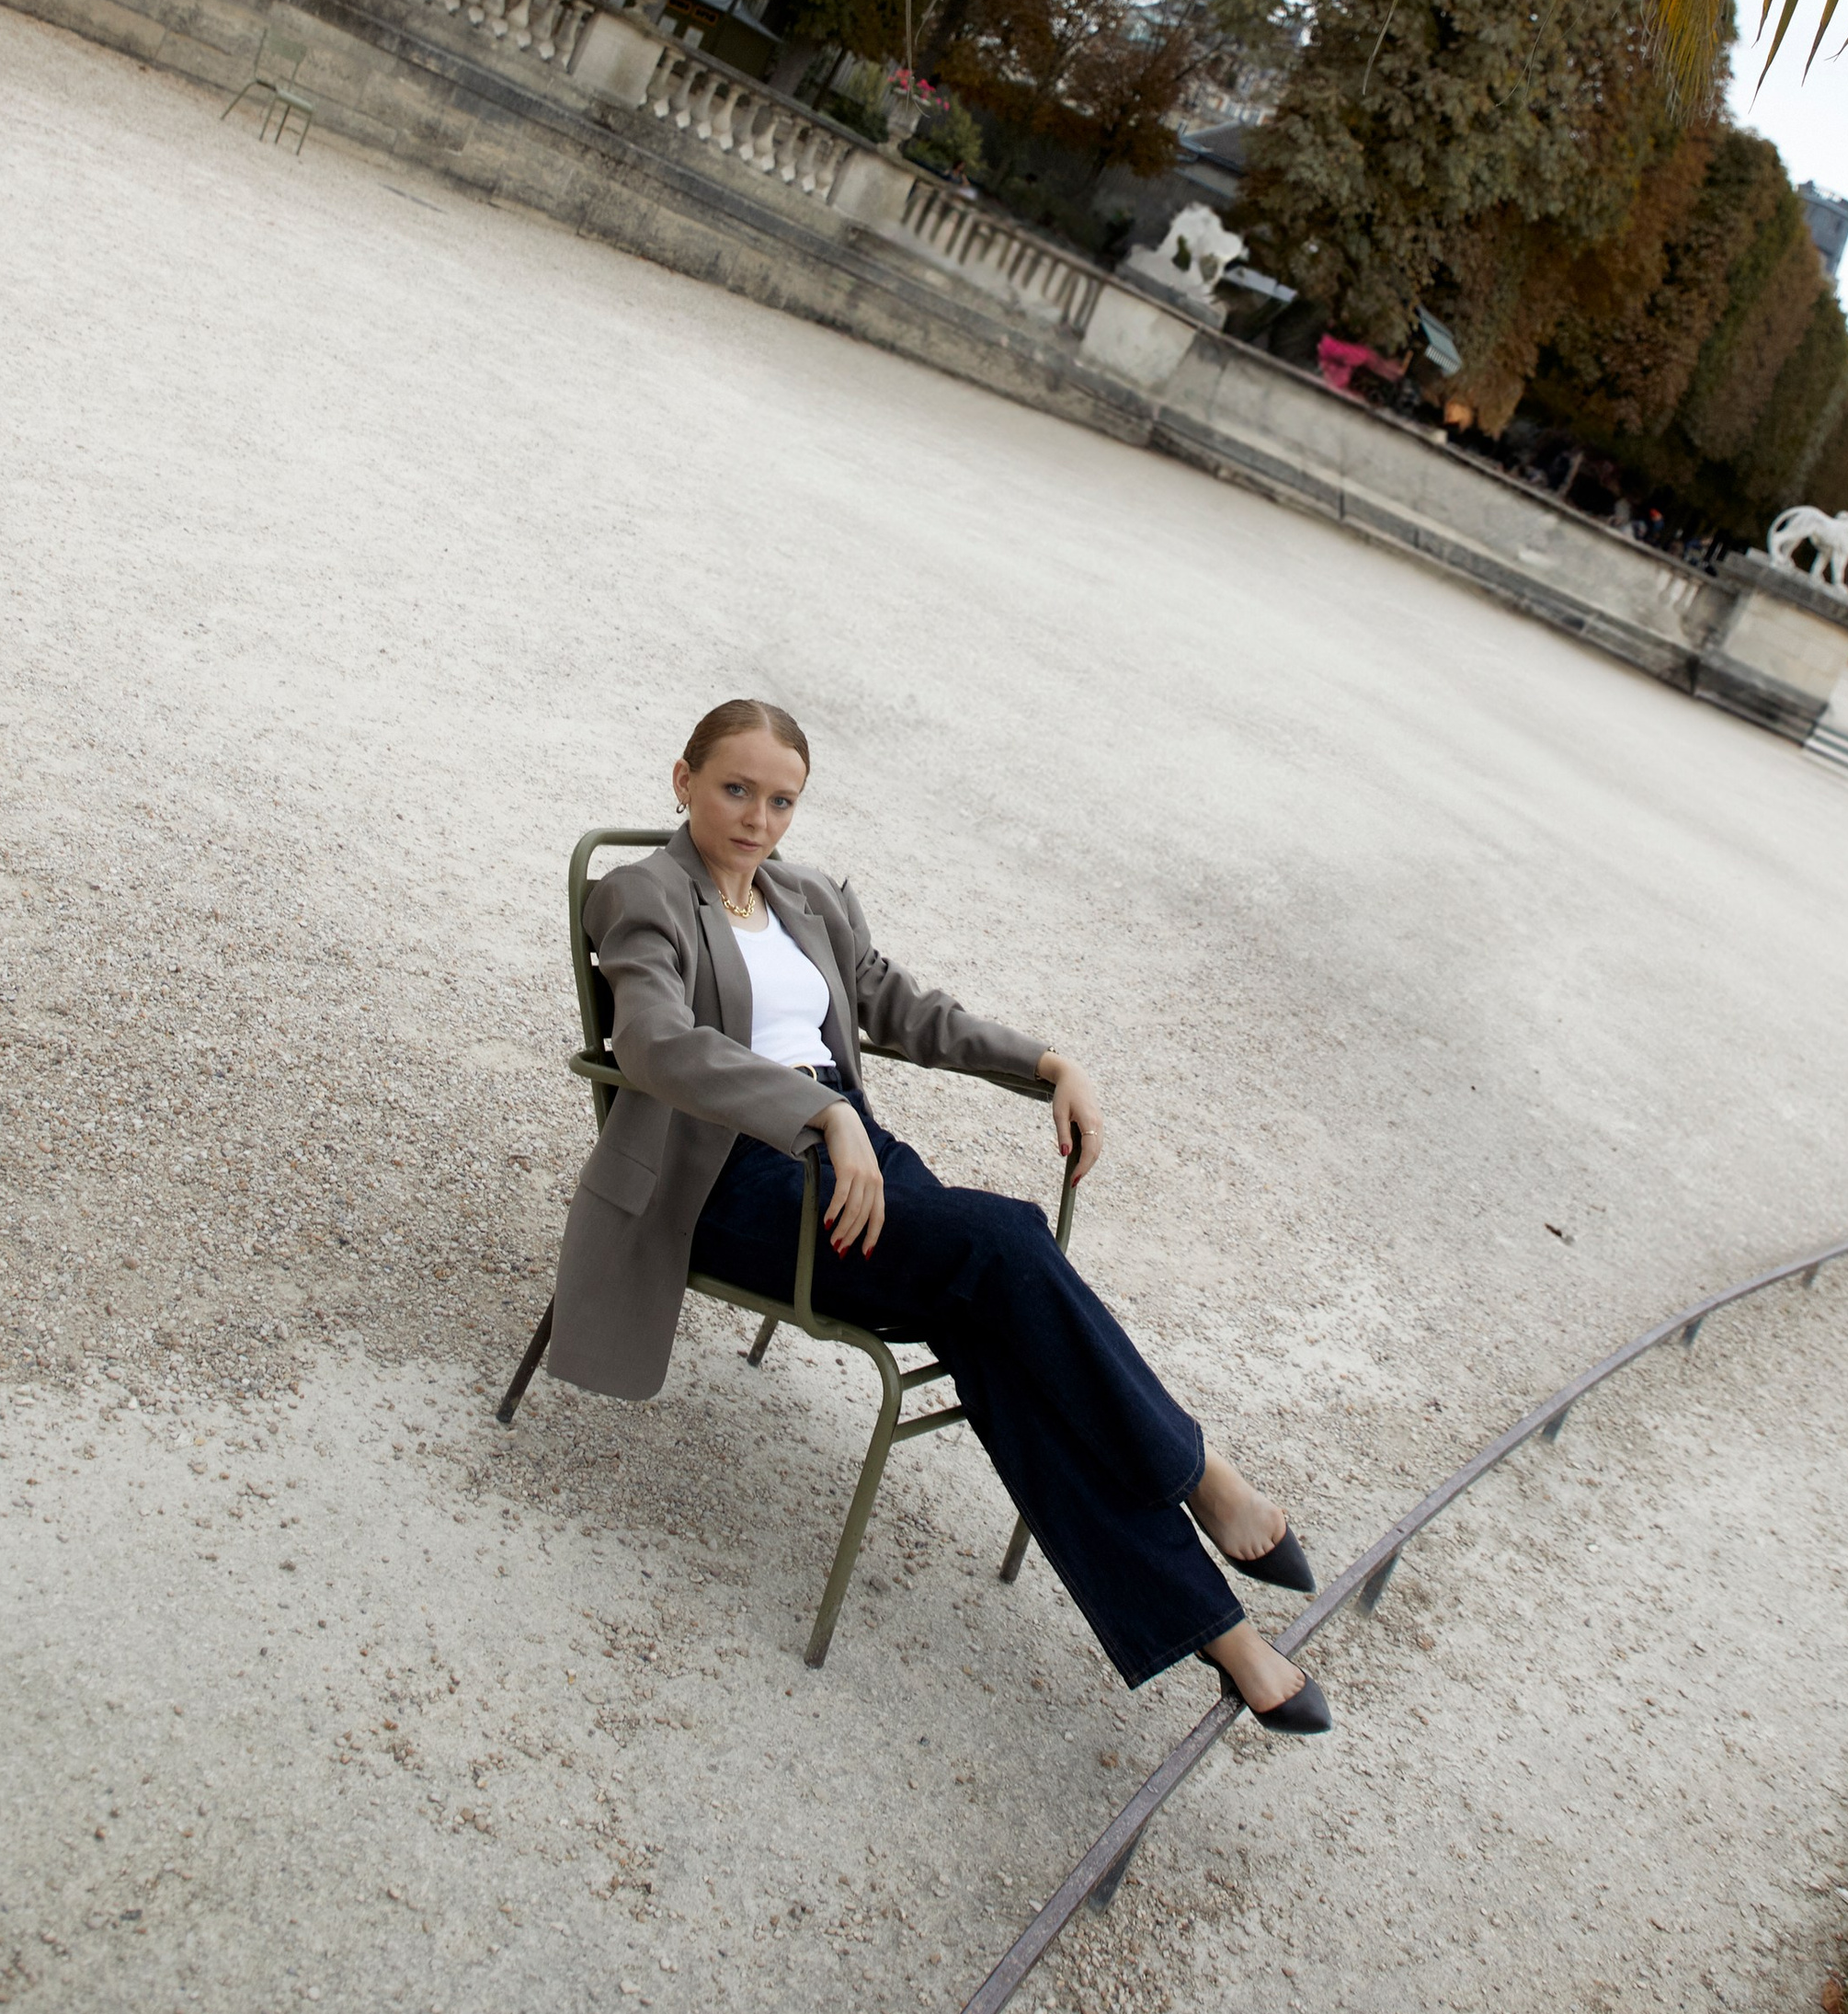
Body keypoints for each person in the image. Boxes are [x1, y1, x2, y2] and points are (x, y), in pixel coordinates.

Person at [545, 698, 1329, 1731]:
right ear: (683, 778)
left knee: (992, 1330)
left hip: (850, 1163)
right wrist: (821, 1109)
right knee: (1005, 1240)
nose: (757, 819)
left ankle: (1222, 1636)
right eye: (734, 789)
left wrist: (1051, 1062)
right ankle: (1201, 1474)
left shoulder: (803, 897)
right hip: (732, 1184)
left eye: (782, 800)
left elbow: (905, 1007)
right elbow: (654, 1044)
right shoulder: (640, 895)